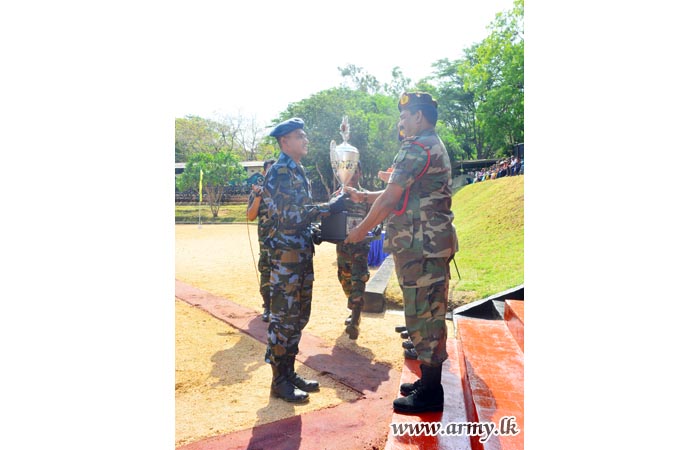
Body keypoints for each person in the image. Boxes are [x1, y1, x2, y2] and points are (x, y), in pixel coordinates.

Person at [345, 92, 457, 414]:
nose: (401, 121)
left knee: (425, 316)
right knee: (426, 313)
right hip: (426, 245)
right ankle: (428, 381)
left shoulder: (417, 146)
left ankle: (431, 392)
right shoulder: (429, 145)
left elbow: (390, 199)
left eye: (405, 116)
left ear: (419, 117)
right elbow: (399, 193)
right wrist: (365, 196)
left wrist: (360, 231)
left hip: (421, 247)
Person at [262, 117, 347, 403]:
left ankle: (288, 372)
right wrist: (327, 208)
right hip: (285, 259)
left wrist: (316, 231)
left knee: (298, 316)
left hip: (299, 254)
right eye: (300, 135)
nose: (305, 139)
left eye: (304, 134)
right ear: (284, 141)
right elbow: (289, 216)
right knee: (283, 319)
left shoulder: (297, 170)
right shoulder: (280, 172)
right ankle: (279, 381)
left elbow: (300, 217)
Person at [334, 162, 371, 340]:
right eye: (350, 172)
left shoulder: (366, 197)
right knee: (345, 280)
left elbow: (375, 219)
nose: (353, 175)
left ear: (360, 173)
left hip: (360, 249)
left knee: (358, 281)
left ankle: (355, 320)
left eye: (356, 171)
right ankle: (354, 309)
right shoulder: (338, 197)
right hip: (342, 249)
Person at [246, 158, 276, 323]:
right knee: (266, 272)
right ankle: (268, 306)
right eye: (269, 171)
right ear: (264, 173)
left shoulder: (284, 191)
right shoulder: (257, 192)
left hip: (284, 240)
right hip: (266, 241)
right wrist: (258, 197)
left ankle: (281, 308)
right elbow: (250, 216)